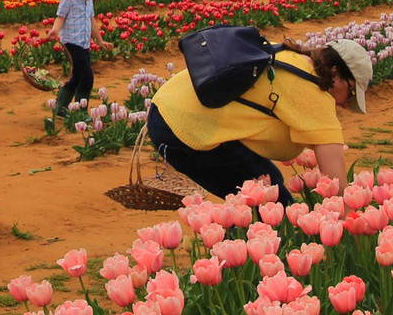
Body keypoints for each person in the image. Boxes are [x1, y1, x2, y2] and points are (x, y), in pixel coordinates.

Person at [147, 37, 373, 205]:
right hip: (184, 127)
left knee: (265, 182)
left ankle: (240, 251)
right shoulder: (313, 92)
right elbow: (337, 181)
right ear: (335, 72)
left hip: (167, 108)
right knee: (267, 201)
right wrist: (348, 221)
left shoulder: (290, 57)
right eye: (351, 93)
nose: (346, 105)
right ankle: (235, 259)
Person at [47, 0, 112, 116]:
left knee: (76, 77)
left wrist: (100, 41)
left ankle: (62, 108)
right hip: (70, 43)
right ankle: (81, 111)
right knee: (87, 77)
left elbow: (91, 21)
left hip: (84, 44)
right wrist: (54, 31)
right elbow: (60, 18)